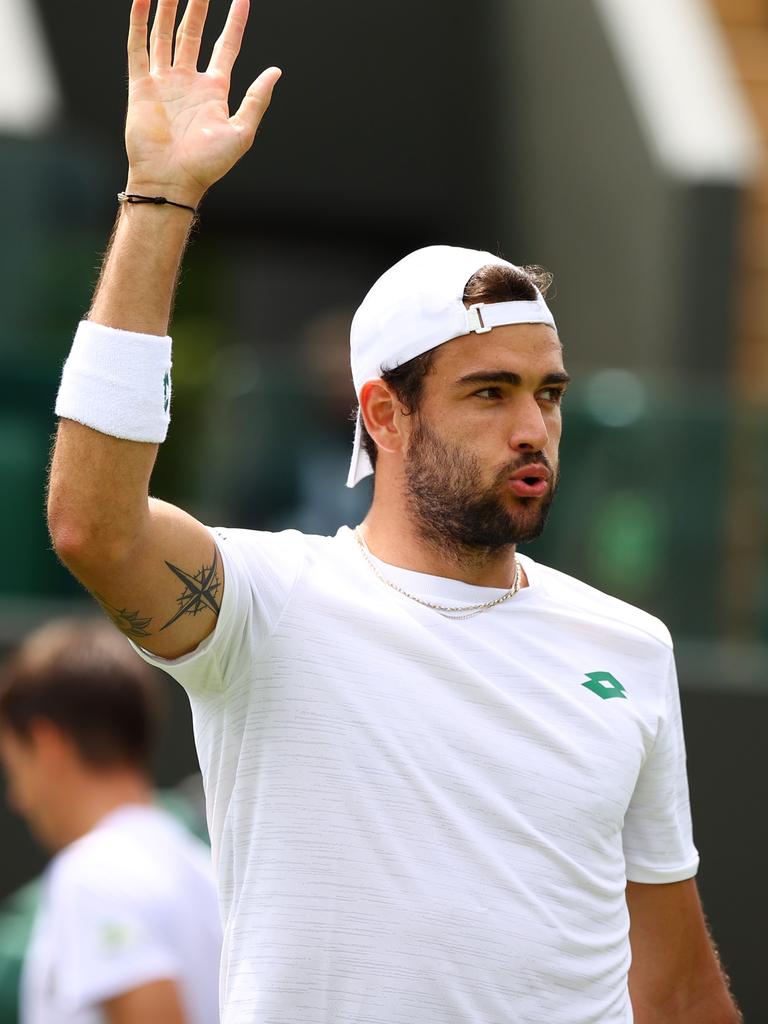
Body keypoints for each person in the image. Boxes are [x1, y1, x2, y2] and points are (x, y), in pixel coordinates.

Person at [46, 0, 742, 1021]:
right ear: (385, 413)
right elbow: (92, 526)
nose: (534, 428)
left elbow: (676, 982)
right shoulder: (267, 609)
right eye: (489, 392)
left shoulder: (629, 647)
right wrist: (159, 193)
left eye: (547, 393)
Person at [0, 620, 222, 1024]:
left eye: (14, 768)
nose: (17, 799)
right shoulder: (203, 871)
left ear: (47, 744)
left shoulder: (94, 875)